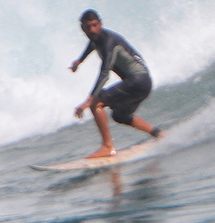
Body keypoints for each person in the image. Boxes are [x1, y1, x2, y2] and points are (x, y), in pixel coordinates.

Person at [69, 9, 162, 158]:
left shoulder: (109, 42)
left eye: (94, 25)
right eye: (88, 27)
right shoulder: (95, 39)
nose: (92, 30)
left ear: (100, 24)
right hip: (142, 83)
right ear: (83, 29)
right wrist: (79, 61)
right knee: (120, 116)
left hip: (138, 81)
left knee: (96, 103)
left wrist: (89, 100)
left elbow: (105, 74)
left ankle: (107, 147)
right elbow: (91, 45)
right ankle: (159, 134)